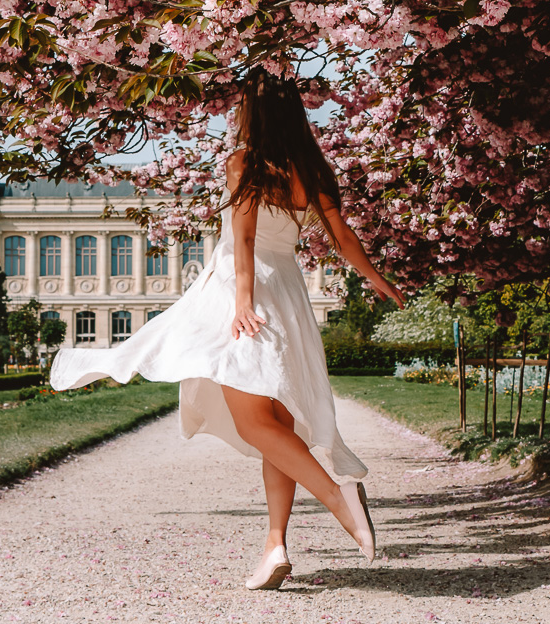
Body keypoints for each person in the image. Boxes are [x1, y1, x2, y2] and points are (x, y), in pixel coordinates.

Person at [50, 67, 406, 590]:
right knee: (278, 427)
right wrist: (377, 279)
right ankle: (274, 547)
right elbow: (343, 237)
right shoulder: (312, 166)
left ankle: (339, 496)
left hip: (243, 290)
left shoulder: (244, 161)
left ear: (252, 113)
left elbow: (242, 239)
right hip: (287, 291)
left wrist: (241, 302)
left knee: (253, 423)